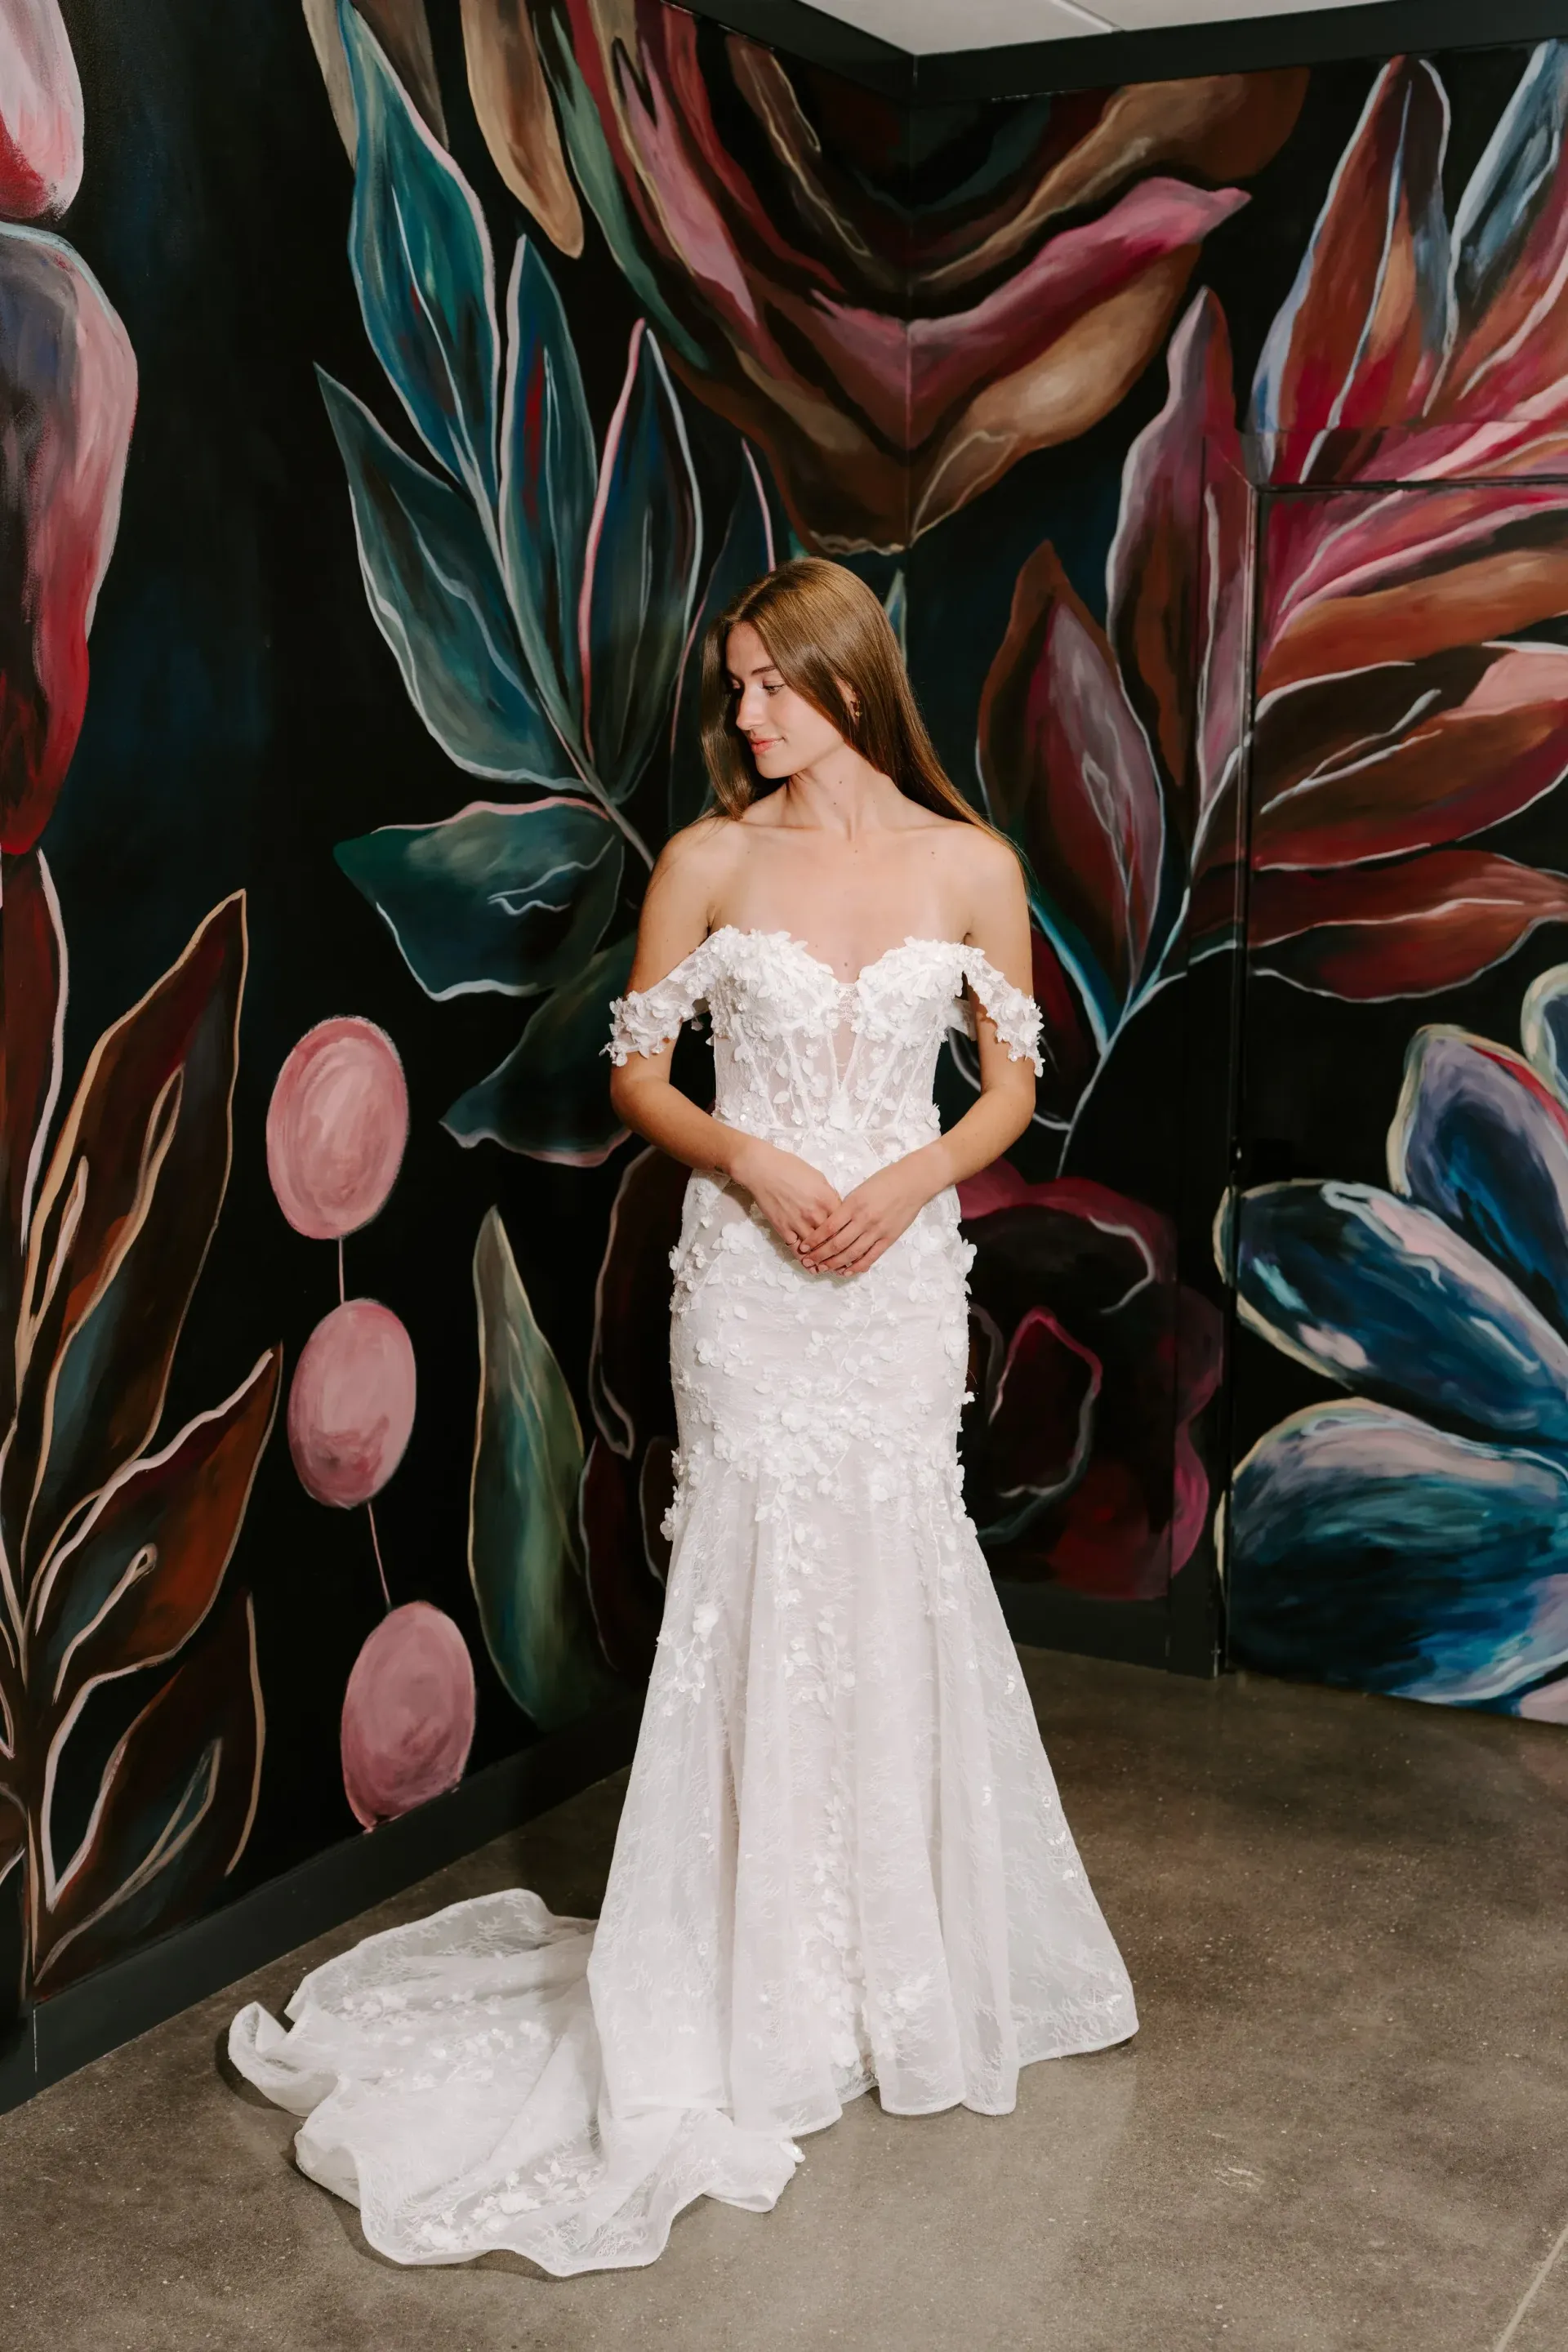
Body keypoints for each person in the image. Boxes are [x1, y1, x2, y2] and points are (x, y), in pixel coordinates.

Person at [229, 557, 1137, 2274]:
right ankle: (747, 1974)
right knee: (751, 1581)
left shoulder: (972, 867)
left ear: (846, 685)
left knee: (898, 1567)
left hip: (895, 1275)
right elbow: (640, 1075)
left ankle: (902, 1963)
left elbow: (1015, 1084)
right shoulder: (710, 863)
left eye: (764, 688)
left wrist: (903, 1181)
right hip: (751, 1279)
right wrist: (762, 1158)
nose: (740, 717)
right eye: (733, 688)